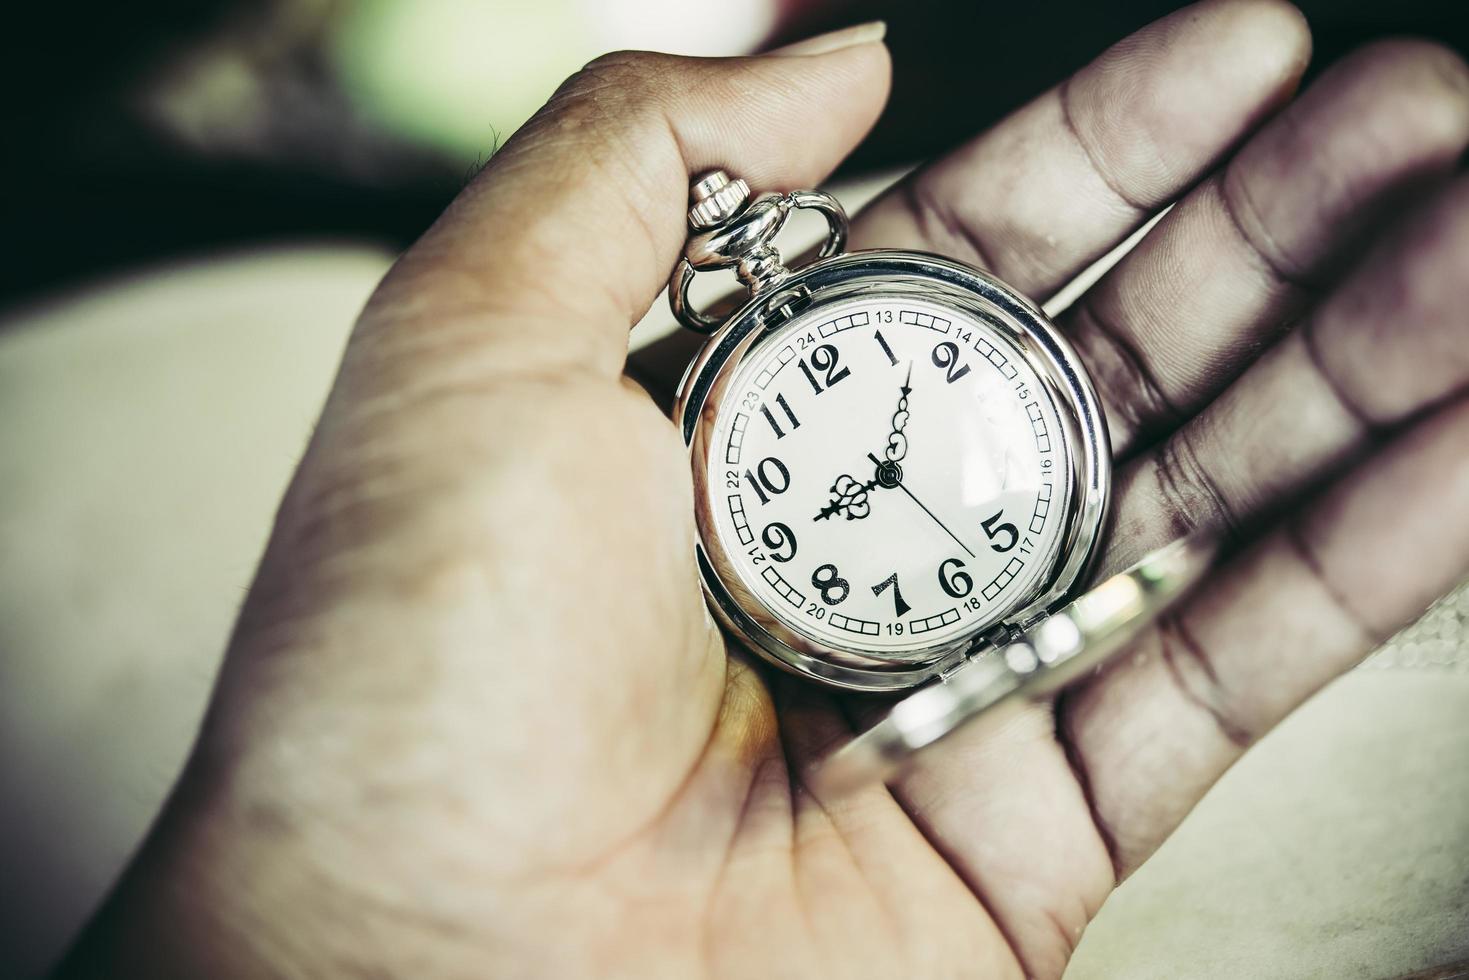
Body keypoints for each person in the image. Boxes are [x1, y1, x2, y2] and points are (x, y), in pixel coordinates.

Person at [57, 2, 1469, 976]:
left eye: (896, 425)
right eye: (823, 476)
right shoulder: (733, 457)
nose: (875, 463)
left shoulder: (944, 352)